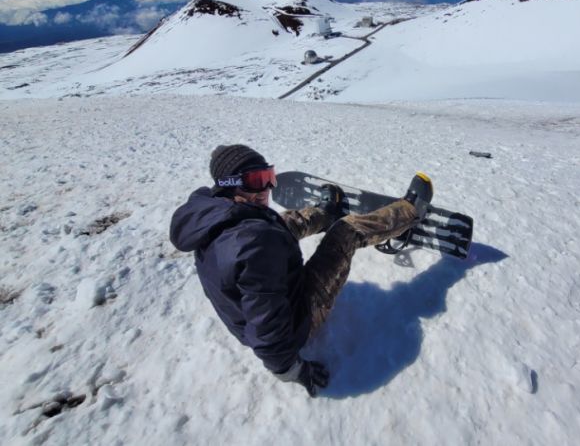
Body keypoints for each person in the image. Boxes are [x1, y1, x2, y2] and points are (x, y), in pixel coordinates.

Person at [169, 144, 433, 397]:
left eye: (268, 177)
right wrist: (291, 370)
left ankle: (324, 214)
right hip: (300, 320)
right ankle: (409, 211)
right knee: (346, 231)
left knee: (279, 224)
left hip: (265, 299)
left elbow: (255, 247)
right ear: (227, 185)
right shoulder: (254, 244)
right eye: (255, 181)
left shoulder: (211, 215)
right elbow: (267, 329)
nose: (266, 189)